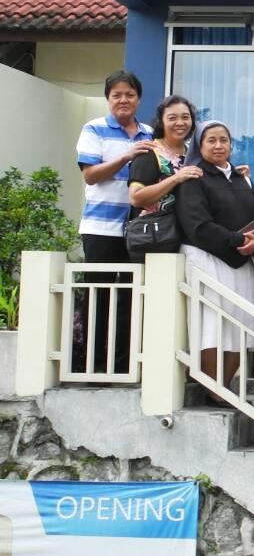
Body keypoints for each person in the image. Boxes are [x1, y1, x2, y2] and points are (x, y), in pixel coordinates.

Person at [175, 120, 254, 400]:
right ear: (199, 145)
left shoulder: (242, 178)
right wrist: (238, 242)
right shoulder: (194, 179)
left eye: (223, 140)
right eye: (210, 140)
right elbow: (196, 225)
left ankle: (222, 386)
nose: (218, 145)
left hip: (240, 262)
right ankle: (212, 388)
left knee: (239, 323)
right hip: (207, 259)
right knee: (212, 323)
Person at [75, 70, 153, 374]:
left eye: (130, 94)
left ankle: (122, 366)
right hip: (100, 229)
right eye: (117, 95)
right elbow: (90, 175)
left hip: (137, 230)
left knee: (130, 298)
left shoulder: (149, 133)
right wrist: (125, 157)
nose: (124, 100)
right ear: (108, 99)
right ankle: (91, 367)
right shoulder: (93, 129)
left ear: (138, 99)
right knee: (98, 297)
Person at [128, 95, 202, 215]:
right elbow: (135, 198)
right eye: (172, 118)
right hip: (160, 231)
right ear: (161, 122)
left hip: (189, 230)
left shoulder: (195, 155)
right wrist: (175, 178)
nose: (180, 123)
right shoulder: (149, 153)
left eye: (185, 117)